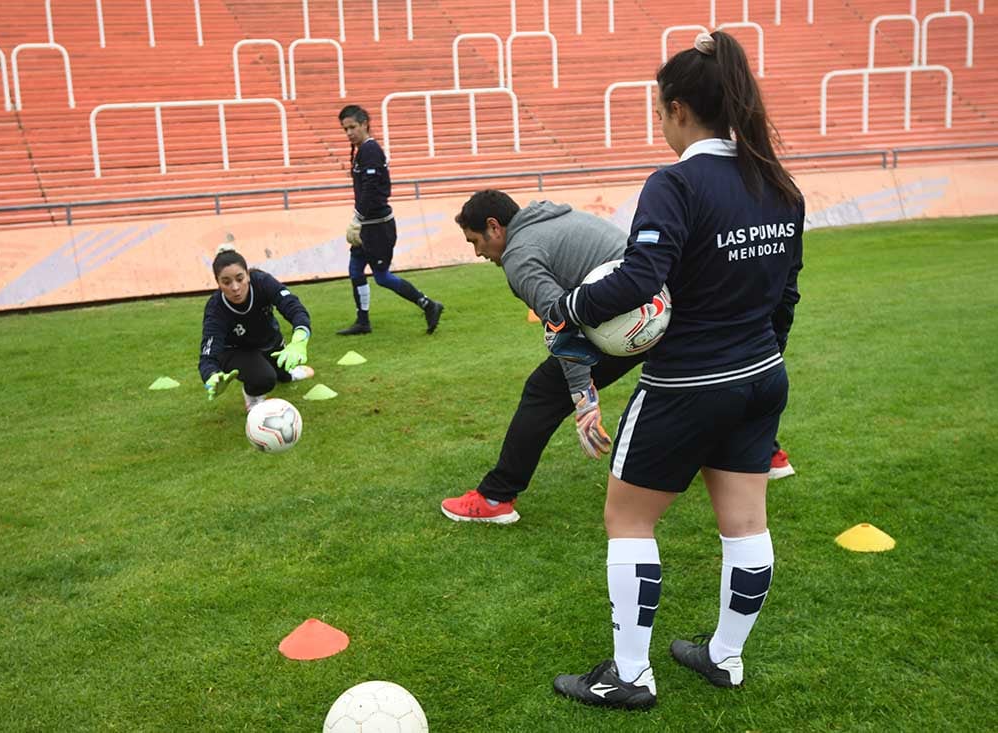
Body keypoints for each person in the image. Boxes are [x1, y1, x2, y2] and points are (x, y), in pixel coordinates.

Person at [546, 31, 804, 711]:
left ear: (681, 110)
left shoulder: (677, 182)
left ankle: (630, 674)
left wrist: (568, 307)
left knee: (628, 520)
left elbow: (640, 277)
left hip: (687, 383)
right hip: (761, 374)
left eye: (661, 112)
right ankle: (724, 656)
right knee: (746, 523)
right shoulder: (778, 182)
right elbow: (787, 297)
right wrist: (755, 356)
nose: (661, 125)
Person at [440, 190, 647, 524]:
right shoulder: (554, 217)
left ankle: (496, 497)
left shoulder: (520, 256)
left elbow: (561, 324)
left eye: (475, 241)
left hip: (629, 320)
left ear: (494, 227)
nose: (478, 253)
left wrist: (583, 398)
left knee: (543, 391)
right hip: (660, 303)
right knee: (692, 377)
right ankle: (757, 454)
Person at [336, 104, 444, 336]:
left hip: (377, 226)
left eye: (352, 127)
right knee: (355, 271)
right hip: (368, 223)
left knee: (382, 277)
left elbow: (372, 187)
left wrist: (359, 218)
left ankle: (428, 304)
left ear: (364, 124)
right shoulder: (361, 151)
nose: (348, 133)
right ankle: (362, 321)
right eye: (345, 129)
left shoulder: (370, 150)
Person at [198, 242, 316, 411]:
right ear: (217, 282)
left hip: (269, 340)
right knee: (264, 379)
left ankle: (286, 375)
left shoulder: (262, 282)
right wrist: (211, 375)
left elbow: (294, 308)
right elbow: (208, 355)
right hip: (236, 351)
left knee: (283, 368)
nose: (235, 288)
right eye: (226, 282)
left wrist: (299, 340)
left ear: (248, 275)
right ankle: (252, 395)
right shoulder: (216, 308)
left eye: (239, 278)